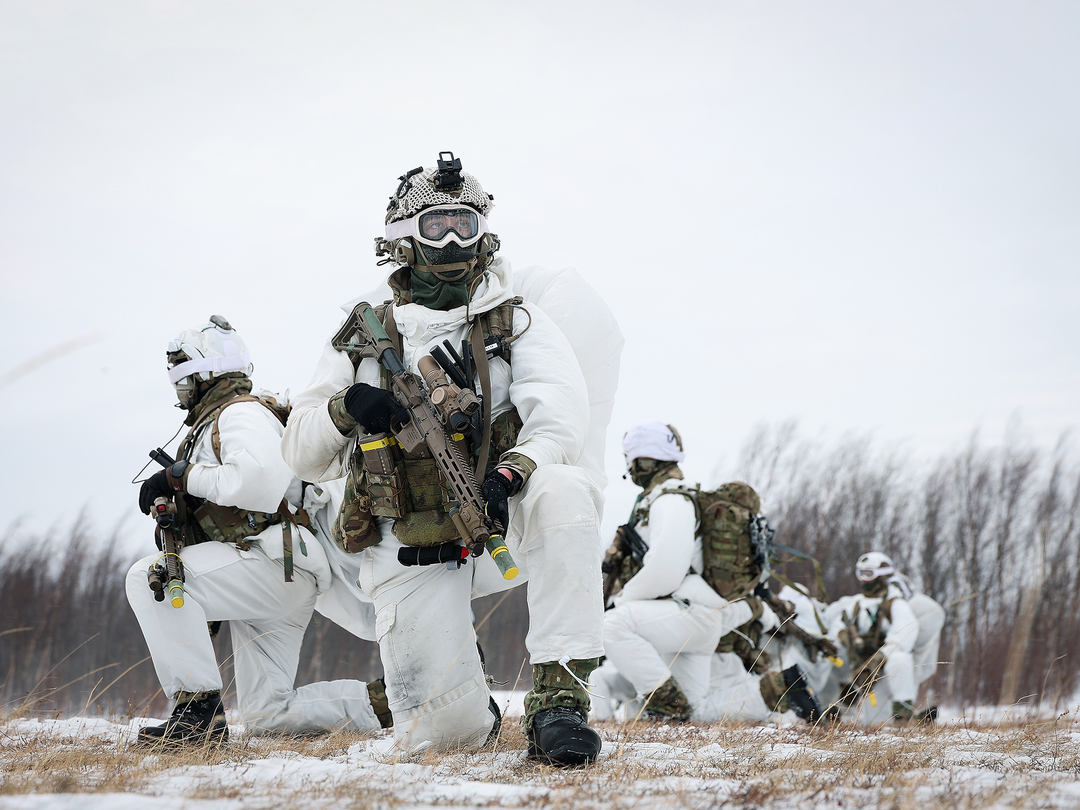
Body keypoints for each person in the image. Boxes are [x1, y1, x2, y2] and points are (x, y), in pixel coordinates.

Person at [281, 154, 610, 765]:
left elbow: (561, 421)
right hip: (408, 538)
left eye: (466, 223)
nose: (454, 239)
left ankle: (561, 699)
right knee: (444, 735)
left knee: (565, 491)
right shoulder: (364, 334)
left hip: (498, 519)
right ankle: (468, 694)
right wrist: (347, 407)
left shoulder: (514, 321)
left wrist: (513, 471)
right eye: (436, 226)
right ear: (404, 238)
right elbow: (301, 453)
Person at [127, 316, 389, 746]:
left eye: (182, 377)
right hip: (280, 572)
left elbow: (260, 481)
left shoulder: (240, 413)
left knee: (150, 577)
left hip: (271, 562)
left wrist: (179, 476)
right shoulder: (227, 419)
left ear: (205, 373)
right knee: (269, 714)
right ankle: (400, 699)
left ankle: (197, 717)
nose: (179, 391)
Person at [599, 422, 816, 722]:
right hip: (698, 620)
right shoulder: (675, 497)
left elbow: (666, 571)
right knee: (696, 711)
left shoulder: (671, 499)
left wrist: (622, 602)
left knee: (611, 625)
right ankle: (782, 687)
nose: (630, 468)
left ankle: (665, 706)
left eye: (632, 459)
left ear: (646, 460)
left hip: (690, 615)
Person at [824, 551, 943, 723]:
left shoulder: (895, 603)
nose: (864, 579)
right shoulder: (856, 604)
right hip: (860, 669)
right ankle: (833, 714)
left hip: (885, 671)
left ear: (882, 576)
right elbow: (837, 628)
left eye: (869, 573)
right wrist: (844, 636)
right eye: (861, 573)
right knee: (873, 722)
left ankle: (904, 711)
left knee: (900, 659)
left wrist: (880, 658)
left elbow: (904, 635)